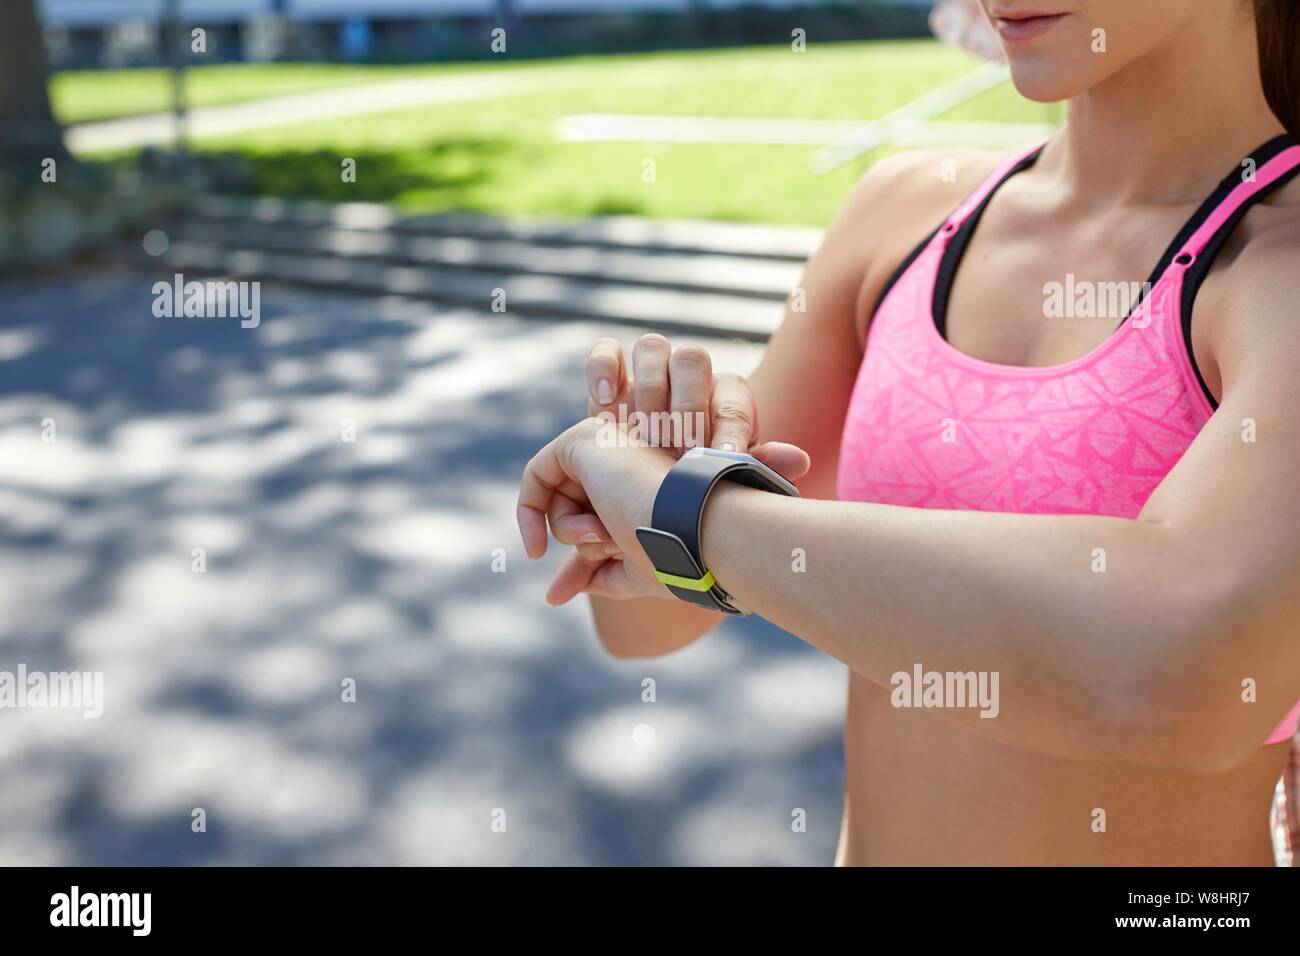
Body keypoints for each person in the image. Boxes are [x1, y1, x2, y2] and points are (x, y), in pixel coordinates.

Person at [517, 0, 1300, 865]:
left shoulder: (1279, 266)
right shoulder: (905, 215)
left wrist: (696, 513)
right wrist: (654, 476)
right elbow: (643, 622)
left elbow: (1183, 675)